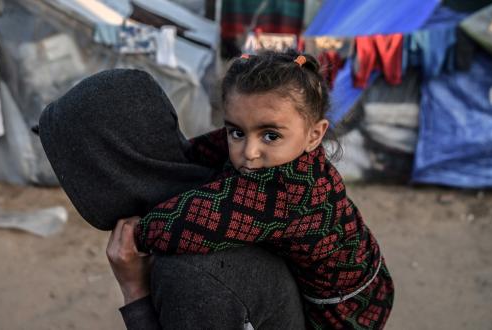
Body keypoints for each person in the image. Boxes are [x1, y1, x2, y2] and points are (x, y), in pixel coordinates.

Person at [133, 50, 394, 329]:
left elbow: (186, 225)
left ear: (314, 135)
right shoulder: (277, 151)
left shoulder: (286, 189)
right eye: (237, 132)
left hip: (348, 310)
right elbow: (202, 150)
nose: (250, 152)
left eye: (271, 136)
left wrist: (138, 230)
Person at [37, 68, 306, 329]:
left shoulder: (190, 271)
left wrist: (134, 292)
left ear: (109, 167)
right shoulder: (218, 202)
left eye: (72, 170)